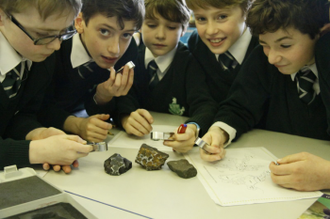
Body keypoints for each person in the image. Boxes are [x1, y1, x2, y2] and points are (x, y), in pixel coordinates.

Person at [200, 0, 330, 191]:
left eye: (285, 45)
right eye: (264, 45)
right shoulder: (263, 59)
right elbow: (239, 106)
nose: (272, 58)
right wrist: (219, 132)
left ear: (323, 34)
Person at [0, 0, 93, 173]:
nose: (56, 46)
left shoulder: (39, 57)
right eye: (43, 34)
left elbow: (19, 115)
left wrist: (37, 134)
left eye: (63, 32)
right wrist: (37, 151)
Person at [116, 0, 218, 153]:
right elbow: (121, 99)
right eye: (151, 25)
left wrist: (193, 127)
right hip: (131, 146)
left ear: (183, 29)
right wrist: (124, 118)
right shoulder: (128, 58)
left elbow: (205, 106)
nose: (160, 35)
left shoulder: (190, 63)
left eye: (171, 27)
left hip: (175, 148)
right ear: (139, 26)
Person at [37, 0, 145, 143]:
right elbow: (36, 108)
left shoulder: (129, 51)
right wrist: (77, 125)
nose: (115, 50)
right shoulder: (52, 48)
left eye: (126, 35)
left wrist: (103, 97)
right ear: (79, 22)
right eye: (104, 31)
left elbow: (110, 107)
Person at [185, 0, 259, 104]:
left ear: (247, 11)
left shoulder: (267, 47)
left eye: (222, 17)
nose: (210, 31)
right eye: (201, 19)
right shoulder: (196, 45)